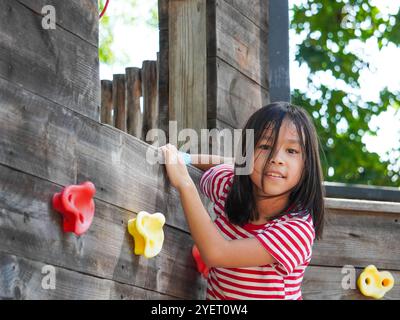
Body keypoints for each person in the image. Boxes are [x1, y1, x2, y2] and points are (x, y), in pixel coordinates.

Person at [159, 102, 325, 300]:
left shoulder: (296, 229)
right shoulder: (227, 186)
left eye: (292, 151)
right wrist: (185, 159)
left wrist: (185, 183)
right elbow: (229, 164)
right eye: (265, 146)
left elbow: (216, 254)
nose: (276, 159)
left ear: (308, 165)